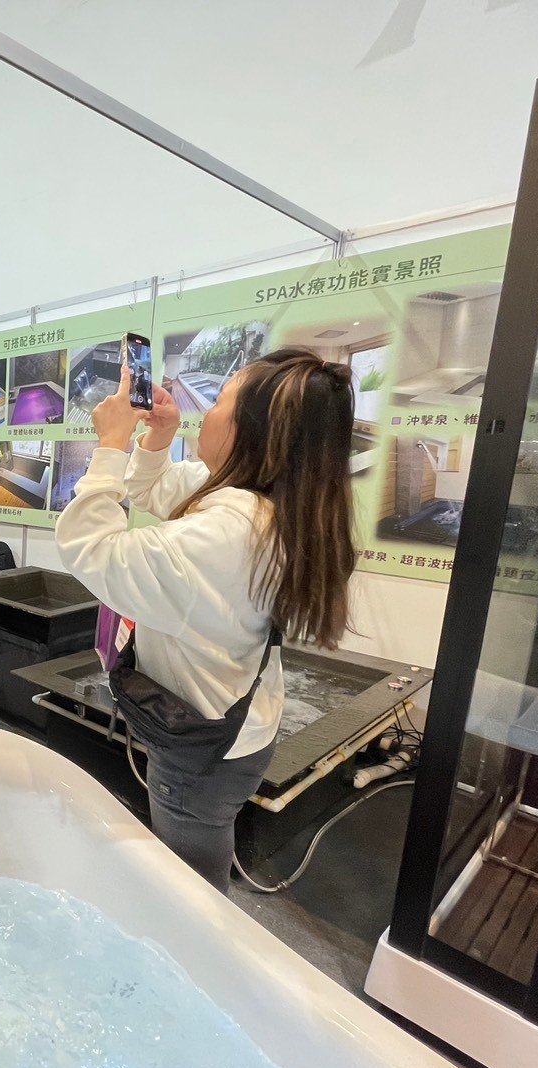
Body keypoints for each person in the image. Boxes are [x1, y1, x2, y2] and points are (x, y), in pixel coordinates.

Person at [55, 348, 356, 893]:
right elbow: (157, 489)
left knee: (190, 885)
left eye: (219, 401)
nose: (206, 411)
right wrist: (159, 437)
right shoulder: (268, 502)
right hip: (235, 726)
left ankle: (194, 938)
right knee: (198, 850)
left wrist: (110, 445)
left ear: (253, 432)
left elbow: (90, 548)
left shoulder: (225, 536)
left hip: (203, 748)